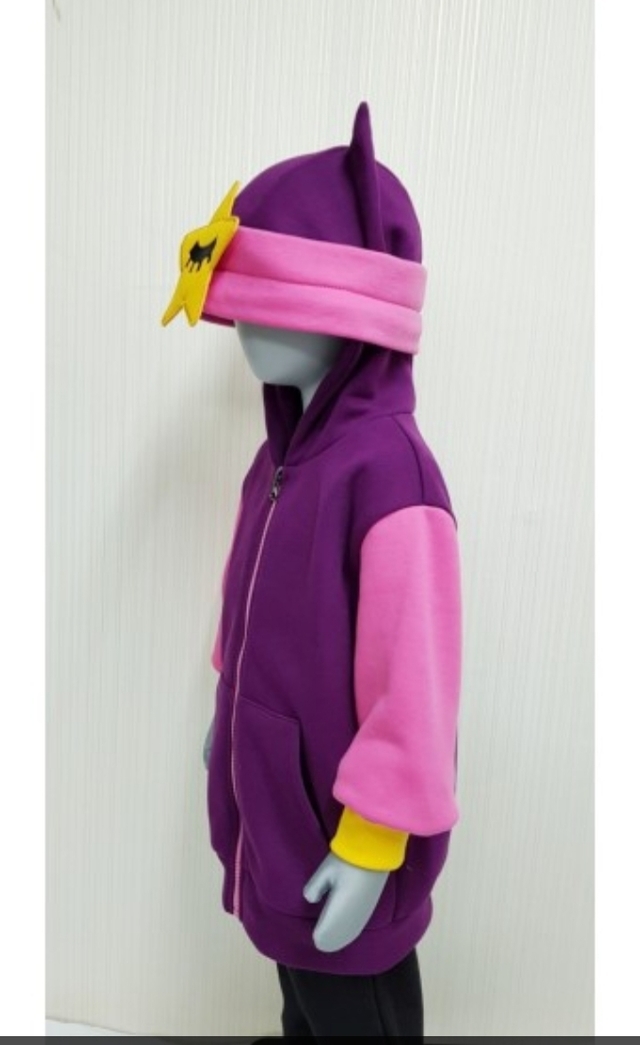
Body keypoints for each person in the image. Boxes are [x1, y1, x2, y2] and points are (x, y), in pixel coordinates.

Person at [163, 102, 463, 1039]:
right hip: (279, 811)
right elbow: (244, 600)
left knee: (356, 1007)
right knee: (300, 988)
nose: (246, 330)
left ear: (354, 314)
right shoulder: (281, 460)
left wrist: (373, 840)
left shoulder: (390, 477)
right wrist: (227, 716)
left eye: (270, 303)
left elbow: (414, 689)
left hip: (341, 827)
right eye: (242, 306)